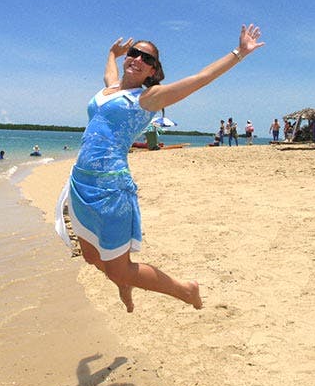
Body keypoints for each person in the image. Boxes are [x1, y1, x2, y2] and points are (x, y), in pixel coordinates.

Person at [55, 23, 264, 313]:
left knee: (119, 268)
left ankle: (185, 290)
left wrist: (239, 53)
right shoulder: (109, 89)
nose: (138, 60)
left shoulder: (148, 98)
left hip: (110, 188)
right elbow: (110, 74)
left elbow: (201, 78)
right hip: (80, 183)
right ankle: (124, 282)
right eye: (134, 53)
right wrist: (111, 54)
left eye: (147, 59)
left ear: (153, 71)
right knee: (91, 256)